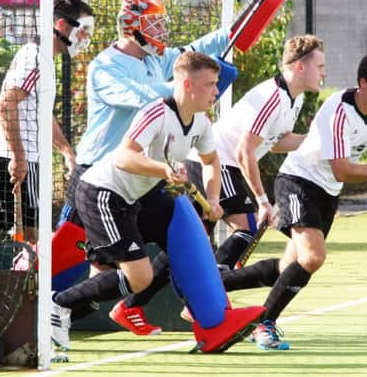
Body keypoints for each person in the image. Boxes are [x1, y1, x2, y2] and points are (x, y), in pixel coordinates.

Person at [114, 34, 325, 332]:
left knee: (189, 242)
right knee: (246, 227)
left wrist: (314, 140)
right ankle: (204, 298)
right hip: (218, 163)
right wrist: (263, 201)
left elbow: (277, 142)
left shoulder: (295, 98)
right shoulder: (273, 97)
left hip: (218, 163)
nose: (324, 72)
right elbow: (244, 150)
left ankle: (130, 305)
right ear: (301, 67)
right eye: (320, 66)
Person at [219, 52, 367, 350]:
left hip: (328, 191)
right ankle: (264, 323)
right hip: (299, 183)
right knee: (313, 257)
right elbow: (343, 169)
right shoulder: (339, 111)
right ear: (362, 83)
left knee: (289, 265)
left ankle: (215, 285)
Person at [57, 0, 230, 334]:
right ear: (131, 27)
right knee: (73, 262)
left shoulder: (156, 59)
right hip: (96, 175)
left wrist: (233, 31)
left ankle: (201, 311)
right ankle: (43, 315)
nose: (162, 32)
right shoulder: (105, 67)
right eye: (155, 25)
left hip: (138, 181)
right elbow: (141, 95)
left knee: (178, 235)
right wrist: (186, 88)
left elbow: (190, 54)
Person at [0, 0, 95, 269]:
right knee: (35, 236)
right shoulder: (37, 57)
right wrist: (19, 157)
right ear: (62, 24)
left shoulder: (43, 58)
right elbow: (6, 103)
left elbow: (40, 111)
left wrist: (66, 151)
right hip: (12, 156)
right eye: (83, 29)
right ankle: (36, 304)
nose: (85, 37)